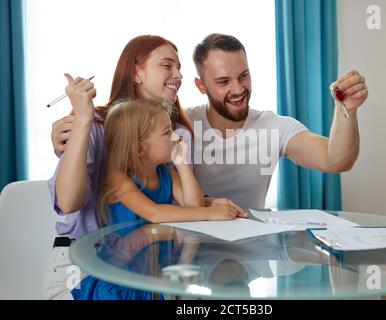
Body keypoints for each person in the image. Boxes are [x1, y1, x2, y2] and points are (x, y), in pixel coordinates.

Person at [51, 33, 369, 210]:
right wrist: (77, 130)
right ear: (201, 86)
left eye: (243, 76)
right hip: (177, 256)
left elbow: (336, 159)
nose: (238, 89)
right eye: (223, 81)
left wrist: (347, 110)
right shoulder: (177, 129)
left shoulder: (272, 127)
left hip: (244, 253)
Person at [43, 35, 243, 300]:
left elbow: (183, 205)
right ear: (136, 72)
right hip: (83, 264)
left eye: (180, 67)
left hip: (149, 268)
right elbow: (68, 203)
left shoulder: (177, 133)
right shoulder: (93, 125)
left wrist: (207, 202)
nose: (179, 75)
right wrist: (83, 121)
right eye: (168, 65)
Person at [71, 98, 243, 300]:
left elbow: (193, 206)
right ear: (139, 149)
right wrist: (210, 213)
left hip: (152, 277)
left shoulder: (166, 172)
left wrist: (182, 165)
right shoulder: (118, 179)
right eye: (166, 132)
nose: (175, 138)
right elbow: (154, 213)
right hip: (121, 281)